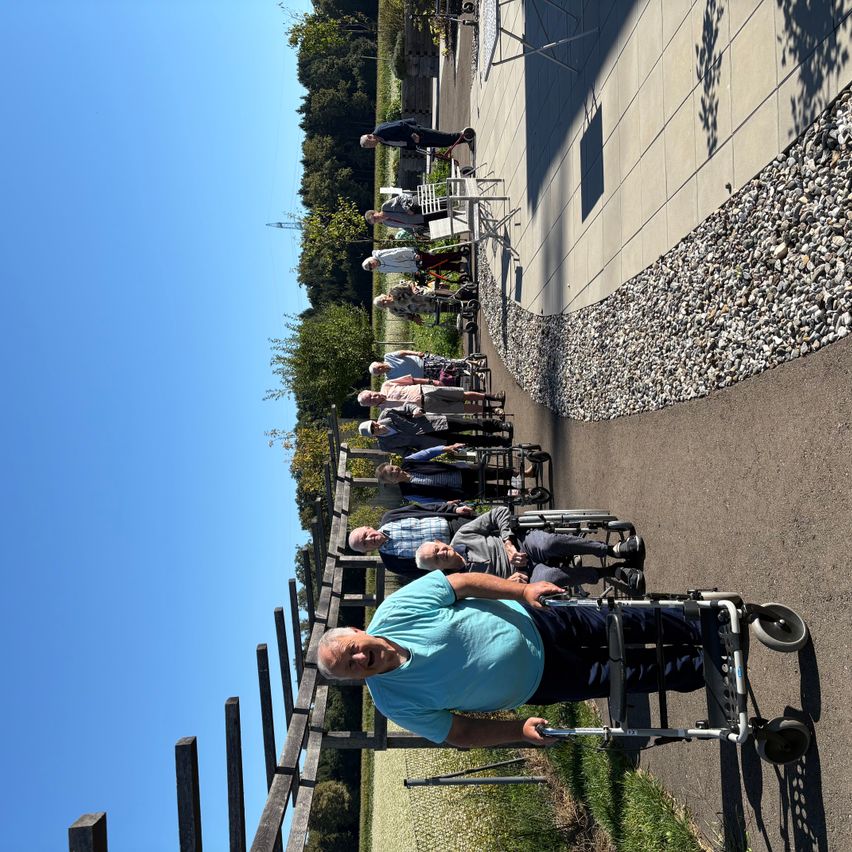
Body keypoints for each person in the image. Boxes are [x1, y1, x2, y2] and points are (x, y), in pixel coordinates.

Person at [317, 570, 705, 746]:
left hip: (538, 619)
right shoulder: (393, 702)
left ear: (354, 631)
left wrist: (521, 592)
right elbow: (460, 733)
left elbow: (460, 584)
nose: (360, 658)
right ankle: (703, 668)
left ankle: (703, 625)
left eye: (351, 650)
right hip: (540, 682)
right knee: (624, 677)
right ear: (353, 680)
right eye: (350, 667)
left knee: (627, 623)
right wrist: (519, 730)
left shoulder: (394, 611)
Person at [415, 505, 646, 593]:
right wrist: (509, 584)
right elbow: (489, 601)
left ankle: (611, 550)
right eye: (435, 559)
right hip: (524, 578)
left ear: (439, 541)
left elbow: (499, 512)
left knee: (548, 543)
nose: (441, 553)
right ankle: (612, 572)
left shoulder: (462, 535)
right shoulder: (458, 583)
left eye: (437, 549)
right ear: (436, 569)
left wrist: (508, 543)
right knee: (551, 578)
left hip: (523, 545)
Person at [348, 501, 476, 579]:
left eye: (365, 535)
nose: (369, 539)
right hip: (456, 553)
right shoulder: (392, 563)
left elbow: (423, 508)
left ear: (368, 527)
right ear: (367, 551)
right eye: (364, 543)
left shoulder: (390, 517)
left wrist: (453, 509)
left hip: (456, 524)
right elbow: (425, 574)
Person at [376, 445, 525, 502]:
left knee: (491, 471)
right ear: (392, 482)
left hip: (458, 471)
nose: (395, 471)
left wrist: (447, 448)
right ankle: (523, 492)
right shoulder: (408, 493)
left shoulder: (409, 462)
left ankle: (523, 474)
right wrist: (447, 504)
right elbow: (430, 501)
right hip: (456, 491)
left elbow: (427, 452)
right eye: (391, 474)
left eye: (392, 468)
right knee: (493, 491)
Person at [358, 403, 512, 453]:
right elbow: (405, 452)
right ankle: (500, 441)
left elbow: (406, 407)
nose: (376, 426)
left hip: (433, 423)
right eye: (373, 430)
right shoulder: (385, 445)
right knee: (468, 441)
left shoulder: (387, 414)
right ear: (373, 435)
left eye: (373, 424)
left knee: (468, 424)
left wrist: (415, 410)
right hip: (431, 441)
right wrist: (421, 452)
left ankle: (500, 426)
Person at [357, 381, 503, 415]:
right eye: (370, 400)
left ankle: (493, 397)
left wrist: (430, 381)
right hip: (426, 406)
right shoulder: (385, 411)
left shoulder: (386, 384)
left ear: (371, 390)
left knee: (461, 394)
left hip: (425, 390)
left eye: (371, 395)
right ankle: (492, 410)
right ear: (371, 405)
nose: (373, 397)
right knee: (462, 407)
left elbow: (411, 380)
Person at [360, 119, 473, 151]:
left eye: (369, 145)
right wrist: (413, 147)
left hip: (417, 134)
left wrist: (413, 135)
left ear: (369, 137)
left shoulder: (381, 131)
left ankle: (464, 134)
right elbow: (399, 144)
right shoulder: (382, 141)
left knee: (443, 138)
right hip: (415, 141)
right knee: (442, 144)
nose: (372, 147)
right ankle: (466, 139)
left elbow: (401, 125)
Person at [369, 350, 472, 383]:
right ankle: (472, 372)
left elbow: (403, 352)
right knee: (450, 374)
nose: (380, 369)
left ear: (378, 363)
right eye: (378, 371)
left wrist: (416, 353)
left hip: (424, 362)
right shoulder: (390, 379)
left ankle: (472, 362)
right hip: (425, 376)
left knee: (449, 363)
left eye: (378, 367)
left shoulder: (388, 357)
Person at [365, 193, 447, 235]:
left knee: (444, 206)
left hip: (417, 208)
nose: (377, 220)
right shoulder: (386, 223)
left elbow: (400, 197)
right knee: (444, 218)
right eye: (375, 221)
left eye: (374, 218)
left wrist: (407, 208)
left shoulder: (385, 207)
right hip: (419, 221)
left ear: (375, 212)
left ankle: (454, 201)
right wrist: (412, 228)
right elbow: (402, 225)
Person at [362, 247, 468, 275]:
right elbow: (398, 270)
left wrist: (413, 255)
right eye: (371, 268)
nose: (372, 265)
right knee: (436, 266)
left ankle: (458, 255)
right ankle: (458, 266)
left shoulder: (381, 255)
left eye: (370, 263)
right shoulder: (382, 269)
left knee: (437, 258)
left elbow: (399, 252)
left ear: (370, 259)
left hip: (413, 256)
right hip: (414, 266)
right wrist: (413, 270)